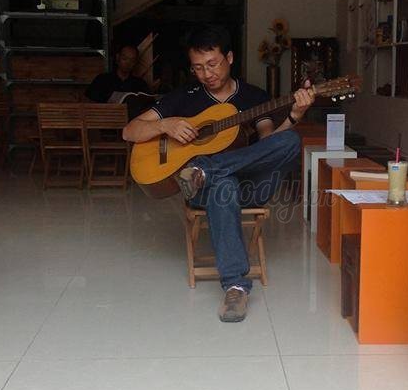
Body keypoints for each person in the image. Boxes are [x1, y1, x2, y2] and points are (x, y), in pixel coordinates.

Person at [123, 25, 315, 322]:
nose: (206, 74)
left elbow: (268, 143)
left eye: (212, 64)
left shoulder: (253, 96)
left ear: (230, 58)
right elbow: (129, 131)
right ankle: (236, 287)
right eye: (198, 67)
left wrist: (294, 115)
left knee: (289, 140)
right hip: (203, 191)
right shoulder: (184, 97)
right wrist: (165, 125)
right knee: (224, 185)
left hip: (251, 185)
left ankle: (205, 169)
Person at [85, 45, 151, 103]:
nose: (128, 63)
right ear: (117, 57)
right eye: (124, 59)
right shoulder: (102, 80)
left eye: (132, 60)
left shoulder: (140, 84)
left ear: (135, 62)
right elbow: (89, 101)